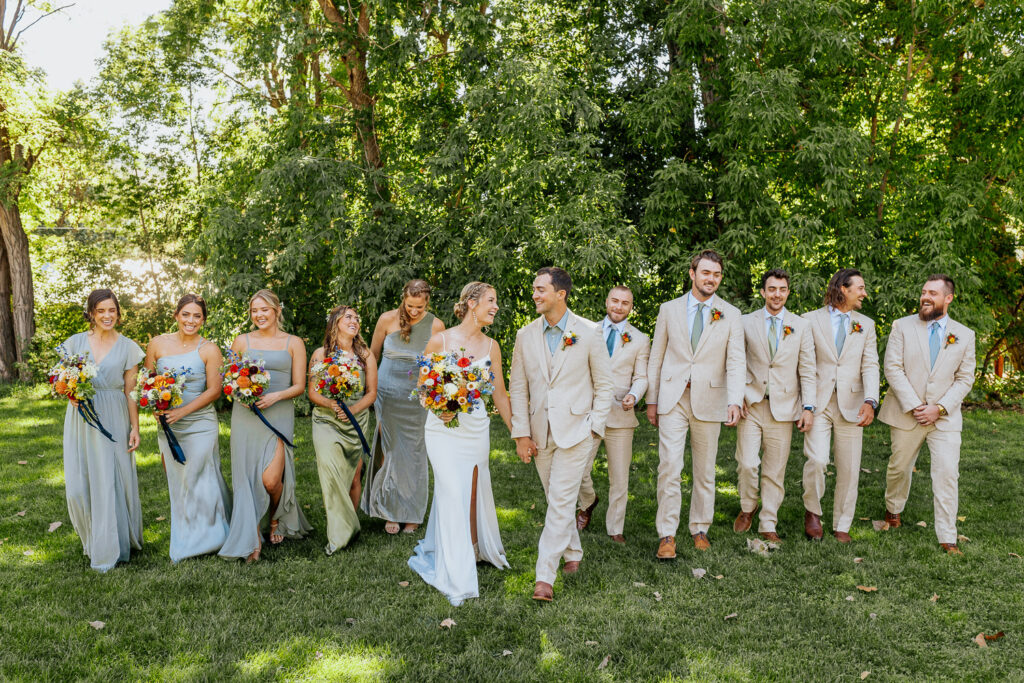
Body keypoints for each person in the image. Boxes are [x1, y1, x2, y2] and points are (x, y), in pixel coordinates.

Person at [510, 267, 613, 602]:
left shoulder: (589, 331)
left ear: (561, 294)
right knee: (558, 500)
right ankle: (574, 552)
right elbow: (519, 387)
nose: (535, 295)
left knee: (559, 503)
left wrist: (595, 427)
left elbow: (604, 384)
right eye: (535, 289)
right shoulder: (525, 335)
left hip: (577, 432)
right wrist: (521, 433)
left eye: (541, 289)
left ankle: (544, 577)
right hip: (540, 433)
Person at [408, 282, 514, 605]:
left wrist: (517, 433)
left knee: (469, 493)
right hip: (441, 429)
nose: (495, 307)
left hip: (475, 427)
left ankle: (470, 548)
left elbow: (499, 393)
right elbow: (423, 385)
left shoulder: (492, 346)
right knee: (452, 490)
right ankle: (456, 573)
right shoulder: (441, 340)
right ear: (471, 303)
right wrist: (440, 407)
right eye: (491, 301)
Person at [646, 250, 745, 558]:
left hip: (710, 398)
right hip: (673, 398)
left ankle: (700, 527)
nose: (710, 279)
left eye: (716, 274)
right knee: (670, 466)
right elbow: (656, 357)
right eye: (705, 273)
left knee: (704, 469)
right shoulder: (669, 309)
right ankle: (667, 534)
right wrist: (652, 399)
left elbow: (736, 360)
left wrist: (735, 400)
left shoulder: (731, 314)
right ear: (692, 273)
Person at [878, 275, 976, 554]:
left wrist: (940, 408)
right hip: (907, 413)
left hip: (944, 418)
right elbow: (892, 368)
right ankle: (893, 509)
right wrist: (915, 406)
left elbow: (965, 379)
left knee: (947, 474)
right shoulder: (902, 326)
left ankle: (948, 536)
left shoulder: (965, 335)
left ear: (948, 298)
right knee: (899, 467)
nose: (925, 297)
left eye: (932, 293)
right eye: (923, 292)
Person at [220, 289, 311, 562]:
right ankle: (251, 539)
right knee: (246, 477)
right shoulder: (241, 341)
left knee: (271, 480)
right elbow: (229, 379)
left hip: (279, 412)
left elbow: (299, 386)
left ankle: (275, 517)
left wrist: (275, 395)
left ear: (276, 311)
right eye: (254, 311)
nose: (259, 315)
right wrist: (238, 393)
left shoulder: (293, 342)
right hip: (246, 414)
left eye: (264, 310)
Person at [61, 289, 145, 571]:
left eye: (112, 310)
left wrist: (135, 428)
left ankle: (110, 546)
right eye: (101, 311)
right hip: (80, 418)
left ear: (118, 314)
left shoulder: (129, 347)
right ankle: (92, 539)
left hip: (113, 414)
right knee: (78, 485)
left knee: (109, 481)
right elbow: (59, 382)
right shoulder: (73, 344)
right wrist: (68, 391)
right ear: (92, 314)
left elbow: (130, 392)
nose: (107, 316)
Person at [143, 294, 230, 562]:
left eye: (197, 316)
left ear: (203, 320)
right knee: (179, 479)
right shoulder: (157, 344)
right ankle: (188, 535)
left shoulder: (209, 349)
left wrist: (182, 411)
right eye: (186, 314)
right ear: (176, 315)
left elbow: (215, 391)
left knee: (199, 475)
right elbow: (147, 383)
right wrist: (155, 406)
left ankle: (212, 538)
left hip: (200, 422)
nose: (191, 320)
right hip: (169, 425)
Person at [732, 270, 816, 542]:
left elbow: (807, 368)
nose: (777, 294)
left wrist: (808, 407)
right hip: (752, 404)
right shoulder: (744, 322)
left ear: (788, 292)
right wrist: (739, 394)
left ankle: (768, 523)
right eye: (772, 289)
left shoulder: (801, 326)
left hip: (784, 406)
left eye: (782, 289)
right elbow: (735, 362)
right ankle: (748, 506)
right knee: (746, 463)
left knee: (774, 470)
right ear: (763, 292)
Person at [801, 269, 880, 543]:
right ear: (843, 289)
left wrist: (871, 401)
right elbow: (806, 366)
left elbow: (870, 365)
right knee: (817, 459)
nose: (864, 293)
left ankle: (842, 523)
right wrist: (807, 405)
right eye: (860, 287)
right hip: (818, 402)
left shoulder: (866, 325)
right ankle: (812, 511)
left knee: (849, 466)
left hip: (852, 403)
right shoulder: (808, 321)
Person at [362, 279, 445, 534]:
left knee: (415, 451)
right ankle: (390, 508)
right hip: (386, 395)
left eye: (420, 307)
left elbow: (438, 368)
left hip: (417, 398)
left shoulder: (437, 325)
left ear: (427, 302)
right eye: (410, 305)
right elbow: (371, 357)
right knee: (391, 449)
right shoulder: (386, 320)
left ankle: (412, 511)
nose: (415, 311)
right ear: (403, 299)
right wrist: (368, 391)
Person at [576, 285, 650, 543]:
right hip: (589, 413)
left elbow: (641, 377)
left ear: (631, 307)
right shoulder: (586, 331)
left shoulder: (640, 339)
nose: (619, 307)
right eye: (615, 301)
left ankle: (615, 528)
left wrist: (634, 395)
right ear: (606, 301)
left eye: (625, 303)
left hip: (620, 413)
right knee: (578, 469)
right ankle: (587, 501)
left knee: (619, 477)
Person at [308, 305, 378, 554]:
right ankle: (338, 534)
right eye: (348, 317)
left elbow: (371, 393)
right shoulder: (320, 354)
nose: (354, 321)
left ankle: (350, 527)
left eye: (357, 318)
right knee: (331, 473)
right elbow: (313, 392)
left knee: (354, 475)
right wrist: (331, 404)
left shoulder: (365, 355)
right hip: (326, 420)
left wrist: (353, 410)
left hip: (356, 420)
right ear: (335, 322)